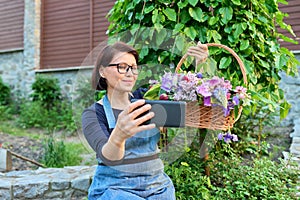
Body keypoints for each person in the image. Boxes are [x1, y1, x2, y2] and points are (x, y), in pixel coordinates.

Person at [81, 41, 208, 199]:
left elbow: (188, 101)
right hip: (116, 189)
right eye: (121, 66)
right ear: (102, 71)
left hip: (158, 187)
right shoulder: (94, 114)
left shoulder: (149, 98)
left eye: (133, 68)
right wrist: (118, 136)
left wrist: (199, 65)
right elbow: (108, 157)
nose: (130, 73)